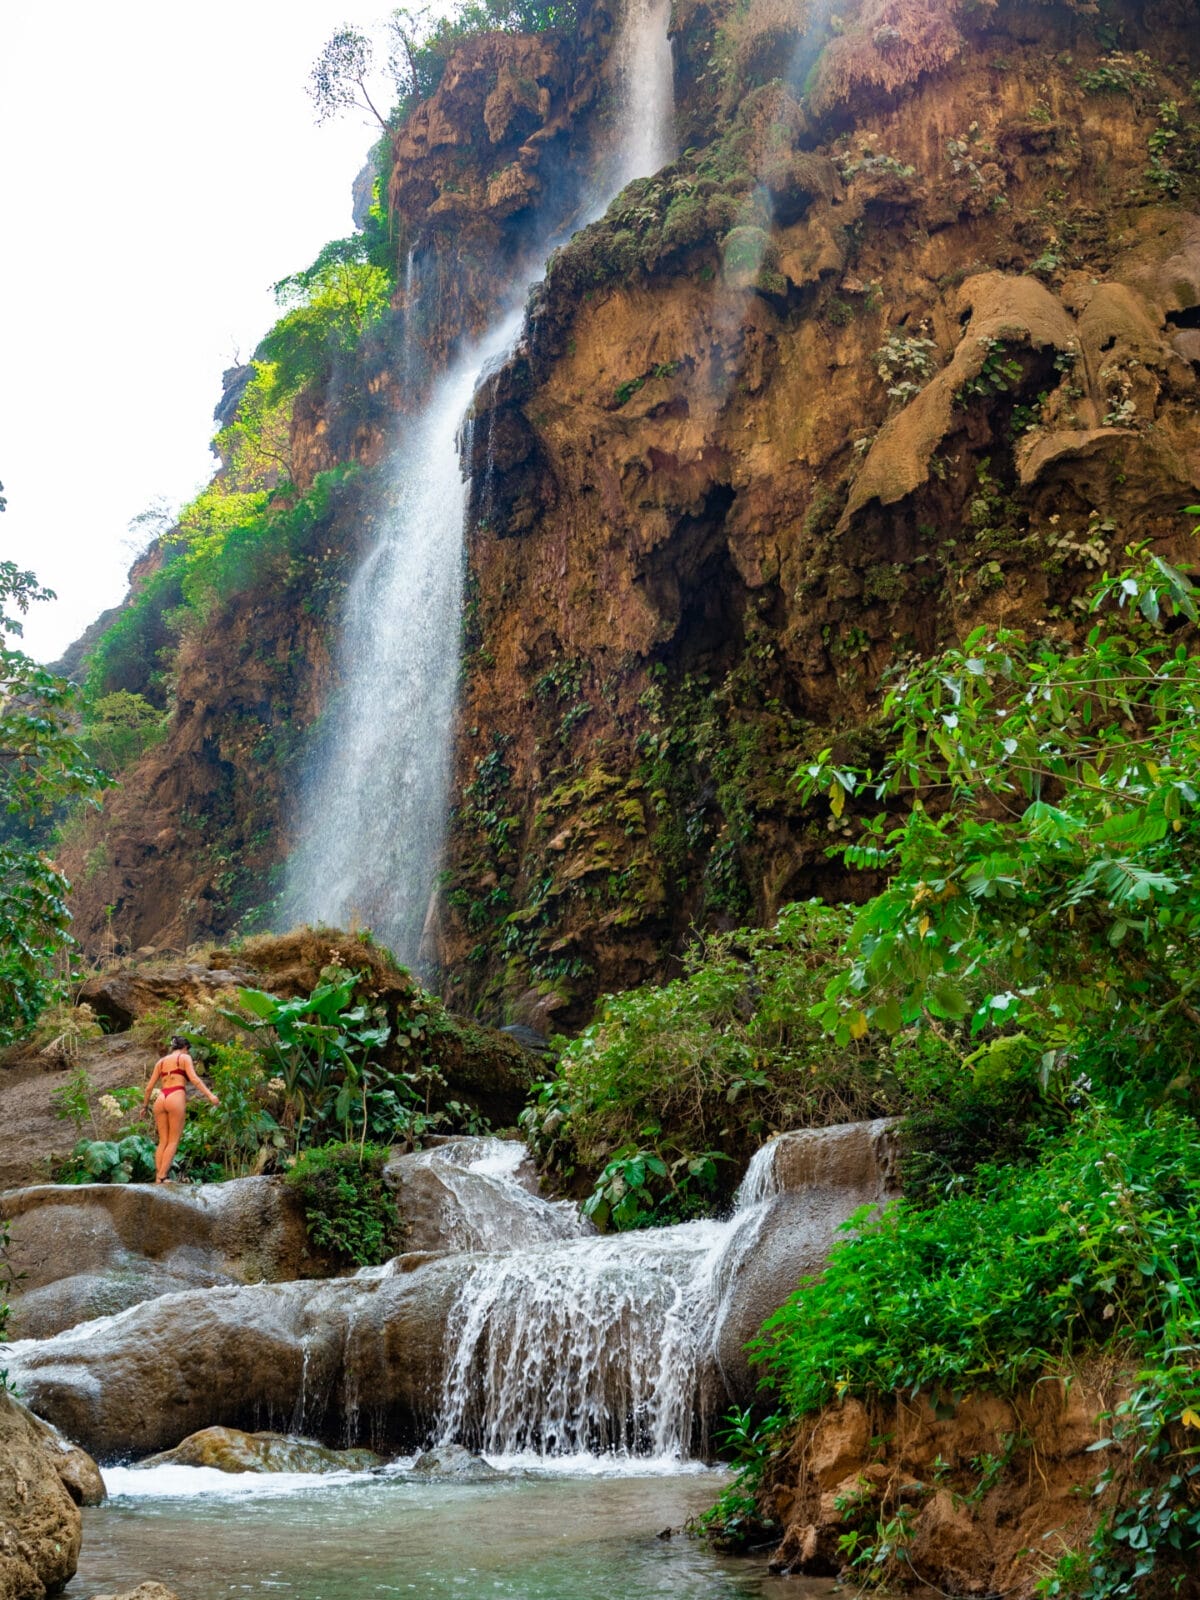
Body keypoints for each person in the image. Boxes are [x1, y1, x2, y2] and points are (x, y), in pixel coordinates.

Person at [142, 1035, 220, 1183]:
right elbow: (195, 1079)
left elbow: (148, 1088)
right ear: (184, 1048)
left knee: (163, 1141)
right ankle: (162, 1176)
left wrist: (145, 1106)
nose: (188, 1053)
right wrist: (211, 1095)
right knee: (173, 1141)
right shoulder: (184, 1058)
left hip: (161, 1098)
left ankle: (158, 1179)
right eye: (188, 1051)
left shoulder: (161, 1062)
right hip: (176, 1096)